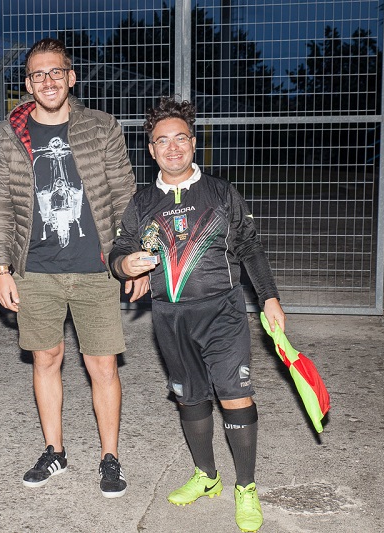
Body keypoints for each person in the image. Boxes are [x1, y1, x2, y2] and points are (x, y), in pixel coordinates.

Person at [108, 97, 286, 532]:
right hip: (169, 317)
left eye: (180, 139)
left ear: (193, 142)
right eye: (161, 141)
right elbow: (119, 250)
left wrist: (269, 297)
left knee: (233, 394)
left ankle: (246, 486)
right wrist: (124, 265)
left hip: (222, 311)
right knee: (189, 397)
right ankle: (207, 476)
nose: (172, 148)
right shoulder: (142, 201)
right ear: (150, 150)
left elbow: (249, 247)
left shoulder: (221, 192)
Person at [0, 38, 147, 498]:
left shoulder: (100, 127)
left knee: (102, 366)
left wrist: (131, 262)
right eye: (38, 74)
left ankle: (109, 457)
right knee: (46, 359)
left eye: (56, 72)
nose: (48, 81)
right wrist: (0, 269)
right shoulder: (6, 136)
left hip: (96, 268)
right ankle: (54, 451)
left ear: (71, 77)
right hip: (34, 270)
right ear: (27, 84)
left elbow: (124, 196)